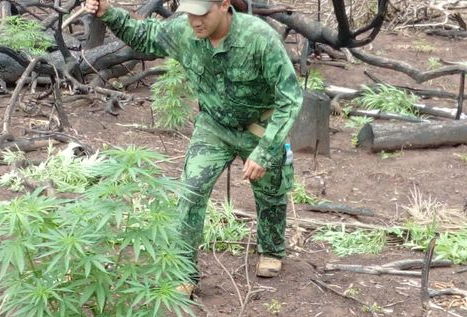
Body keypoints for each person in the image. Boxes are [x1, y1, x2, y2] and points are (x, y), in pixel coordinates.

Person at [84, 0, 303, 294]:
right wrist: (107, 13)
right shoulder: (184, 31)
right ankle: (184, 272)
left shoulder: (259, 38)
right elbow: (145, 36)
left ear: (224, 5)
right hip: (213, 127)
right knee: (191, 190)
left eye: (202, 13)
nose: (195, 21)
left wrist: (265, 151)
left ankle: (272, 249)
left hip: (260, 128)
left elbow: (289, 97)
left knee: (271, 191)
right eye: (189, 13)